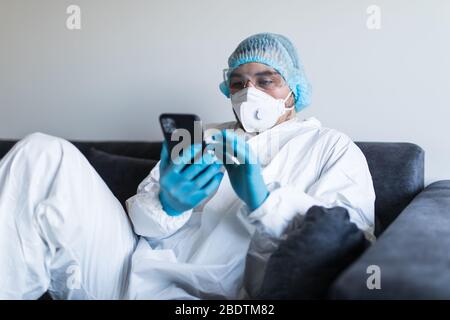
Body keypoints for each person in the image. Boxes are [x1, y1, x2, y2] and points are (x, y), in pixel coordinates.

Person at [0, 33, 375, 300]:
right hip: (128, 278)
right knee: (41, 152)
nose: (250, 93)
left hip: (224, 297)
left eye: (267, 81)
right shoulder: (197, 136)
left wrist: (263, 200)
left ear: (294, 89)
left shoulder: (329, 147)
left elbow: (348, 238)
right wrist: (167, 204)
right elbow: (140, 227)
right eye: (238, 82)